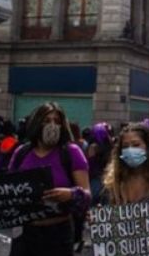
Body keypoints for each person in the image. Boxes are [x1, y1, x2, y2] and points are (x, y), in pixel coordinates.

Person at [8, 103, 90, 256]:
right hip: (25, 233)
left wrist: (70, 194)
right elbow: (8, 189)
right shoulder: (21, 152)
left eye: (57, 121)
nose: (52, 125)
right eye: (46, 120)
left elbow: (87, 194)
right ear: (36, 123)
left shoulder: (71, 152)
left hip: (58, 234)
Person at [100, 123, 149, 204]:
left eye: (136, 145)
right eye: (125, 146)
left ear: (148, 148)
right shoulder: (113, 183)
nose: (130, 150)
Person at [86, 122, 113, 204]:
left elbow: (89, 164)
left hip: (95, 180)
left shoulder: (92, 147)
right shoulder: (110, 146)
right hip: (108, 180)